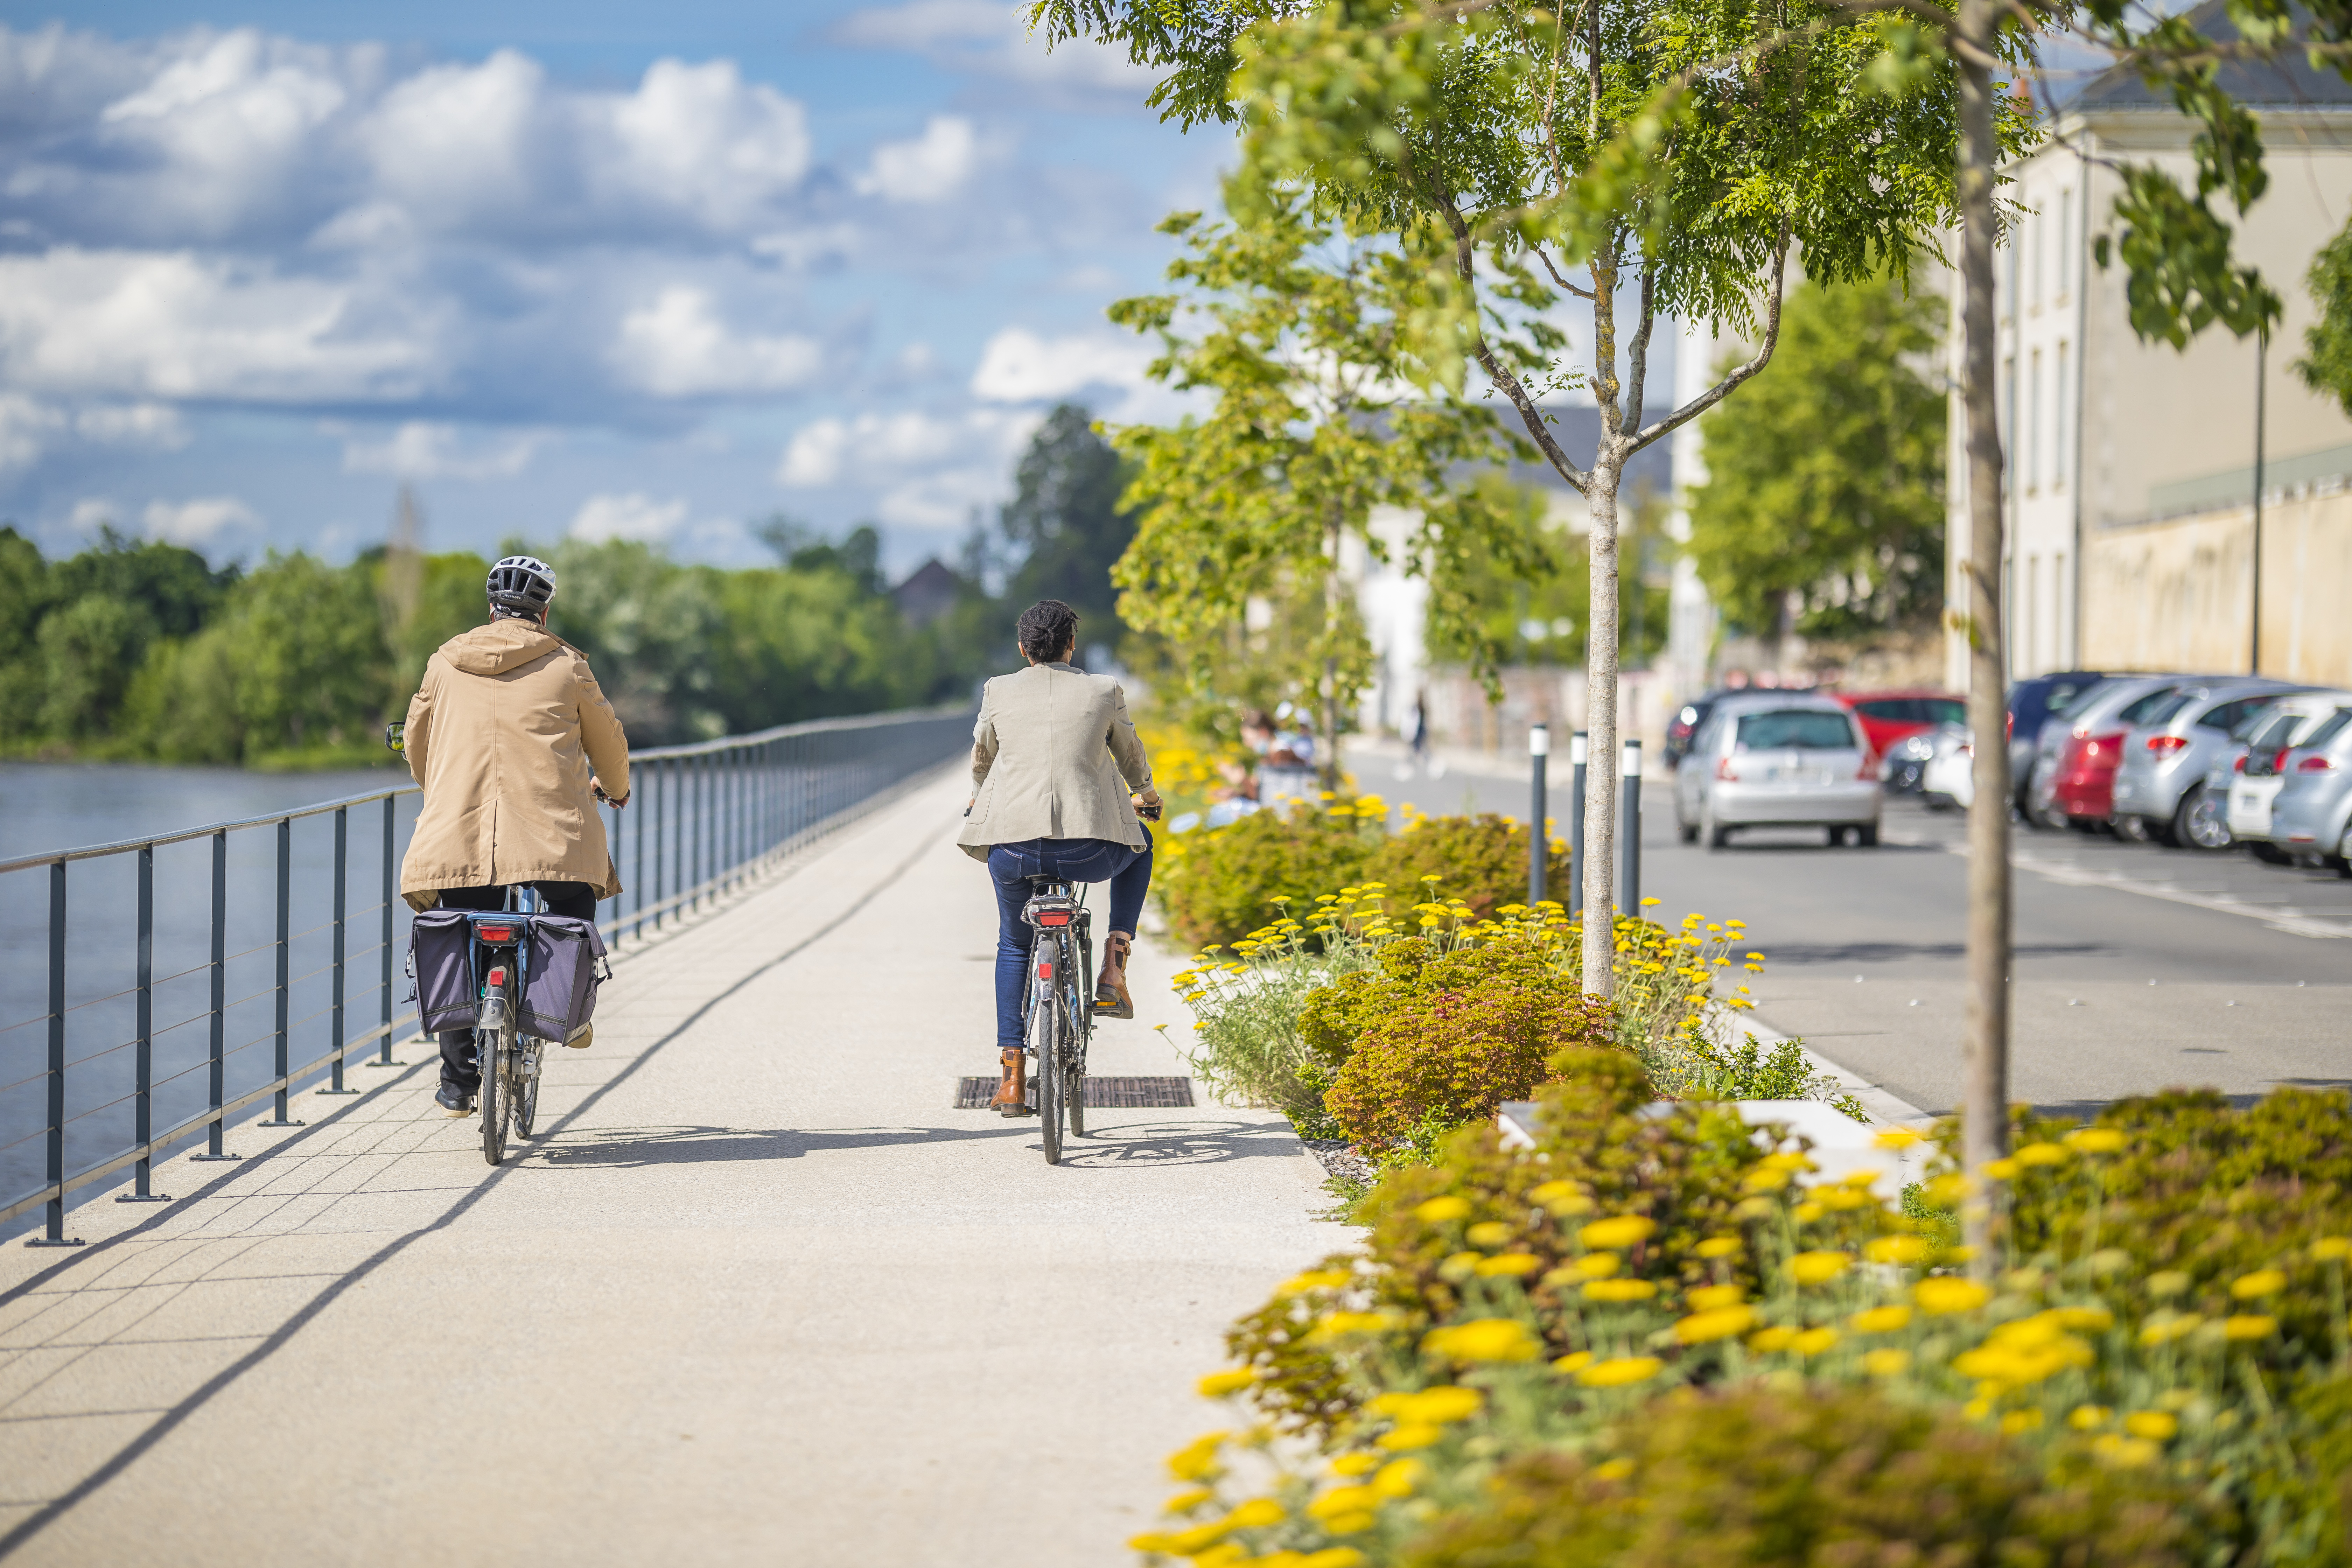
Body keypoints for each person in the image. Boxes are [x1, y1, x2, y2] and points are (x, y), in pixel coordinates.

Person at [398, 555, 631, 1116]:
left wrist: (442, 789)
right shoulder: (567, 665)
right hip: (553, 837)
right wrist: (615, 788)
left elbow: (416, 743)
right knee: (572, 906)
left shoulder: (444, 663)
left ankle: (457, 1083)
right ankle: (567, 1014)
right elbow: (609, 742)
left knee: (458, 932)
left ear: (490, 608)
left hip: (460, 833)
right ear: (545, 612)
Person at [958, 599, 1160, 1116]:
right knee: (1141, 844)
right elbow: (1129, 751)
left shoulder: (998, 690)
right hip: (1089, 850)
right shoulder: (1103, 689)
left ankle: (1010, 1077)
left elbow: (984, 755)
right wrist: (1146, 793)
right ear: (1073, 646)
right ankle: (1115, 963)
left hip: (1014, 849)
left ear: (1023, 649)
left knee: (1014, 943)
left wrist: (978, 796)